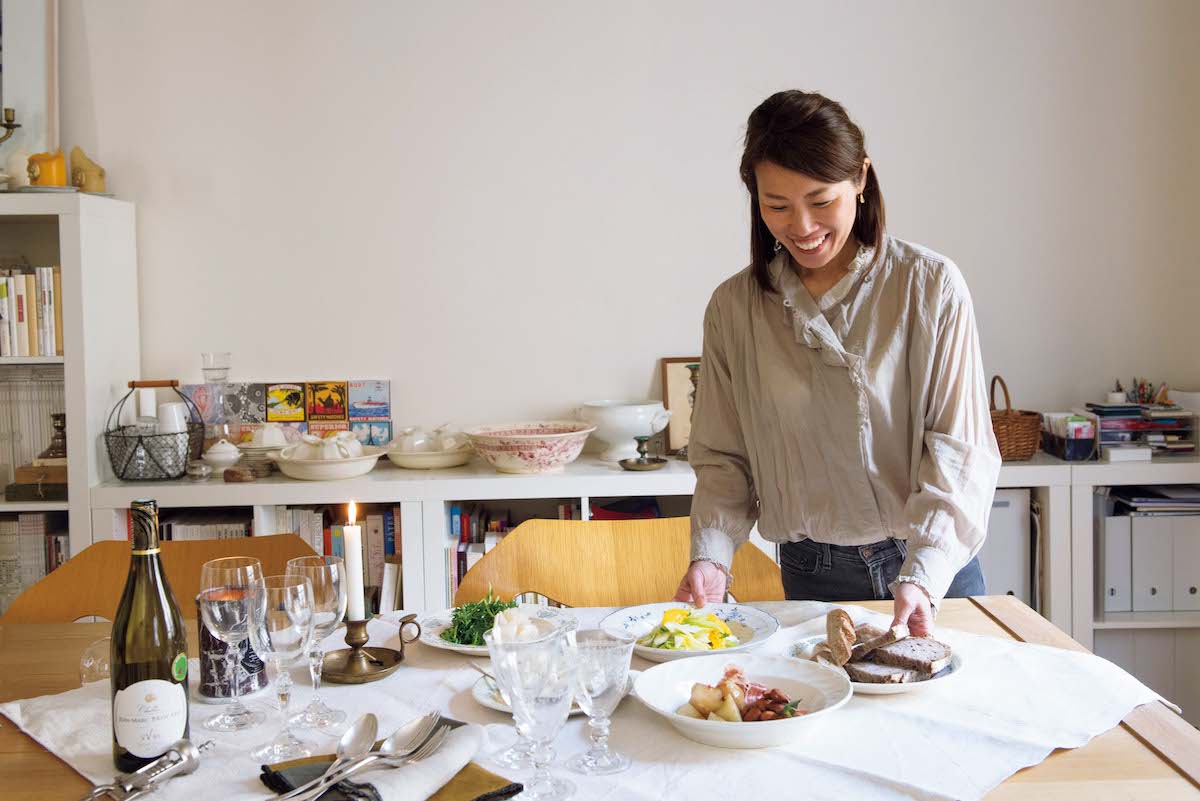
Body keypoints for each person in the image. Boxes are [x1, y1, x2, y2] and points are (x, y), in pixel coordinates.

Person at [673, 90, 1001, 636]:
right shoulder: (735, 307)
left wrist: (922, 573)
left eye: (820, 200)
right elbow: (723, 456)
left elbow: (957, 448)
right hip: (814, 571)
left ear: (861, 179)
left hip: (932, 567)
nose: (801, 226)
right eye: (776, 205)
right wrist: (712, 557)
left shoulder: (928, 285)